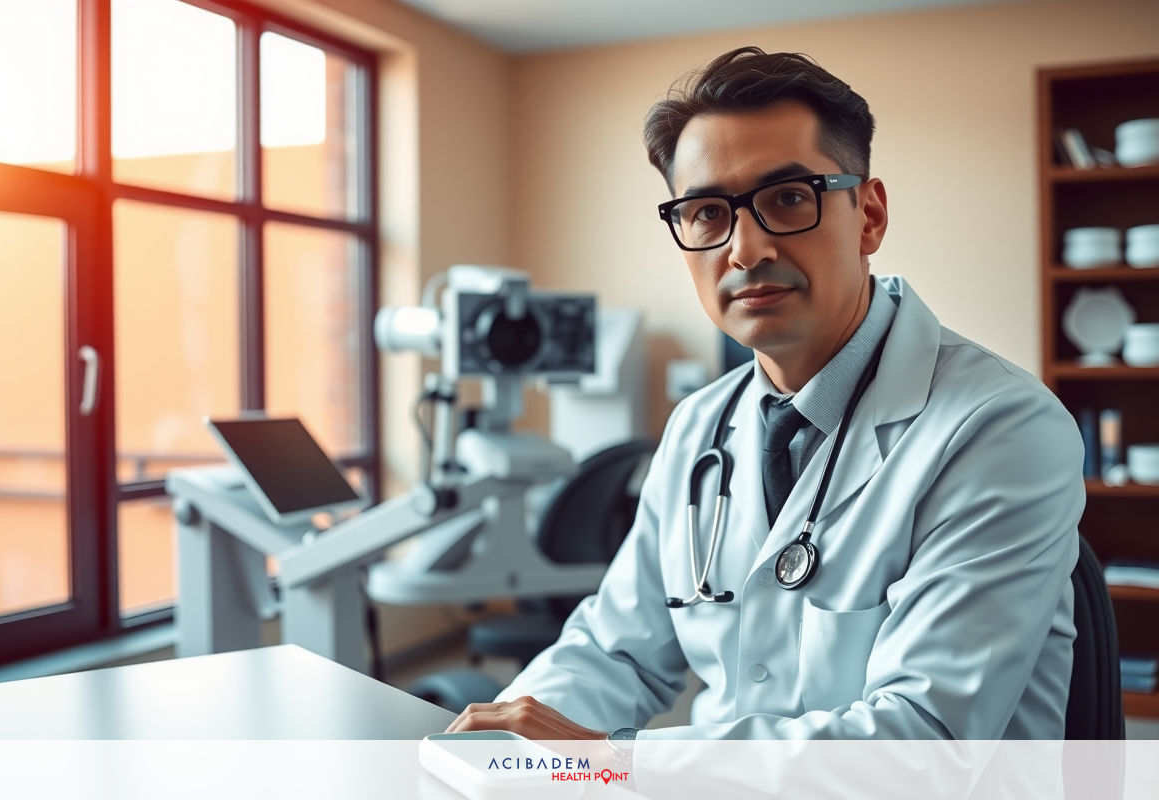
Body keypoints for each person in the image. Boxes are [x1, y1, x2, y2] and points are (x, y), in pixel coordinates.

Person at [445, 46, 1083, 742]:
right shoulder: (698, 427)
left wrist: (613, 765)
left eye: (787, 199)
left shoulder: (1002, 428)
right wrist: (507, 738)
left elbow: (920, 740)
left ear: (868, 216)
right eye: (707, 213)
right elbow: (616, 650)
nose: (744, 250)